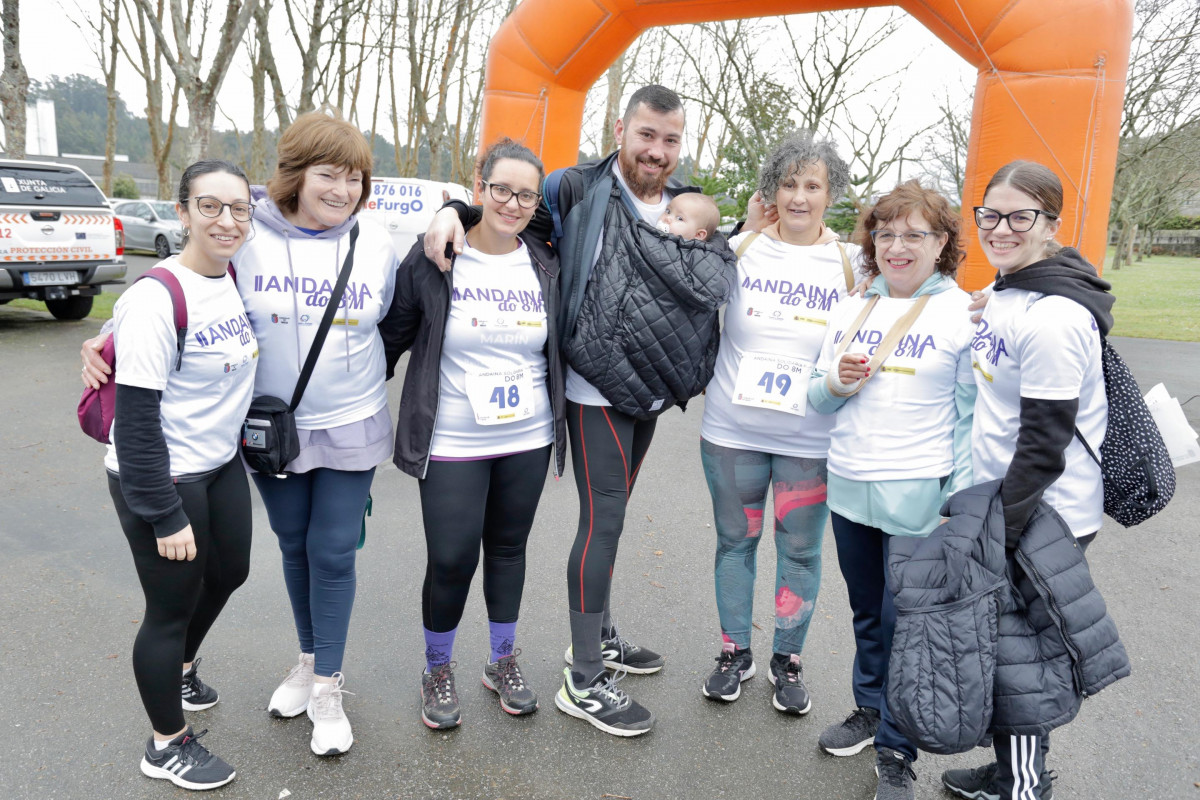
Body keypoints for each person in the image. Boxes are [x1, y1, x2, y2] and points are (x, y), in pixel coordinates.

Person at [85, 111, 400, 757]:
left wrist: (454, 211)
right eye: (328, 174)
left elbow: (403, 320)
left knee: (333, 551)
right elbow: (179, 292)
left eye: (355, 178)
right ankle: (309, 662)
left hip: (351, 422)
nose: (342, 190)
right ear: (294, 175)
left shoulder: (380, 241)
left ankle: (329, 687)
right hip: (271, 431)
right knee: (292, 546)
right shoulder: (248, 237)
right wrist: (103, 341)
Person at [424, 85, 731, 736]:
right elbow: (502, 220)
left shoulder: (687, 203)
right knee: (605, 518)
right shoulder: (574, 188)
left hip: (653, 387)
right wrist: (452, 207)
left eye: (671, 139)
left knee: (612, 519)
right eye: (647, 135)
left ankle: (600, 634)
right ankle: (584, 677)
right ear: (621, 129)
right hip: (593, 385)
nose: (657, 150)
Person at [378, 138, 566, 729]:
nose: (512, 203)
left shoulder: (544, 260)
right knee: (453, 557)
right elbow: (390, 339)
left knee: (508, 551)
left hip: (528, 435)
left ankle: (502, 659)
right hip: (454, 438)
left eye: (526, 194)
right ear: (478, 186)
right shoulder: (436, 256)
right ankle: (437, 667)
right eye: (501, 189)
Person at [940, 161, 1112, 800]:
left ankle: (1021, 786)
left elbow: (1044, 446)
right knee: (1009, 649)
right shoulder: (1012, 292)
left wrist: (998, 532)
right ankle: (1011, 771)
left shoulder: (1053, 319)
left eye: (1021, 216)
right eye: (991, 215)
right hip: (1006, 502)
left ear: (1052, 224)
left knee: (1018, 655)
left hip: (1041, 512)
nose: (1002, 228)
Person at [808, 180, 976, 800]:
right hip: (851, 486)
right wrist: (837, 382)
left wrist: (954, 501)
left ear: (942, 245)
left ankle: (897, 751)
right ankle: (870, 709)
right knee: (867, 614)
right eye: (886, 233)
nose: (898, 246)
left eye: (915, 234)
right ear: (871, 243)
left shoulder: (963, 312)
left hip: (921, 497)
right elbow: (814, 397)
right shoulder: (850, 308)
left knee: (907, 623)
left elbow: (970, 417)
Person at [105, 160, 257, 790]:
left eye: (238, 209)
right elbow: (135, 423)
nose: (226, 220)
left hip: (219, 464)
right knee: (170, 606)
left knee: (230, 571)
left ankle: (184, 668)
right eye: (210, 206)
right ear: (182, 212)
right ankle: (165, 744)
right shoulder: (156, 296)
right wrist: (163, 512)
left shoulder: (231, 276)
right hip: (162, 476)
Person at [697, 132, 856, 715]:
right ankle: (734, 652)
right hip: (732, 433)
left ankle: (786, 660)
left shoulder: (852, 263)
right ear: (772, 190)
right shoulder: (738, 250)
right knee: (734, 544)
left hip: (809, 439)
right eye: (788, 184)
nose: (799, 197)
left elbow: (915, 295)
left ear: (829, 193)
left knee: (801, 554)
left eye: (812, 185)